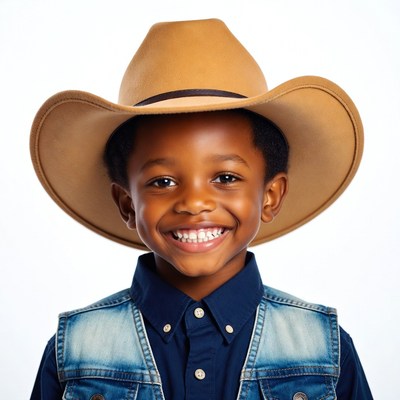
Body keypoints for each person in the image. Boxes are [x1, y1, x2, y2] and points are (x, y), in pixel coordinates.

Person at [30, 19, 373, 399]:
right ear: (127, 203)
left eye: (225, 178)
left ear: (271, 196)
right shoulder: (76, 353)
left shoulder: (324, 352)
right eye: (162, 181)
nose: (194, 204)